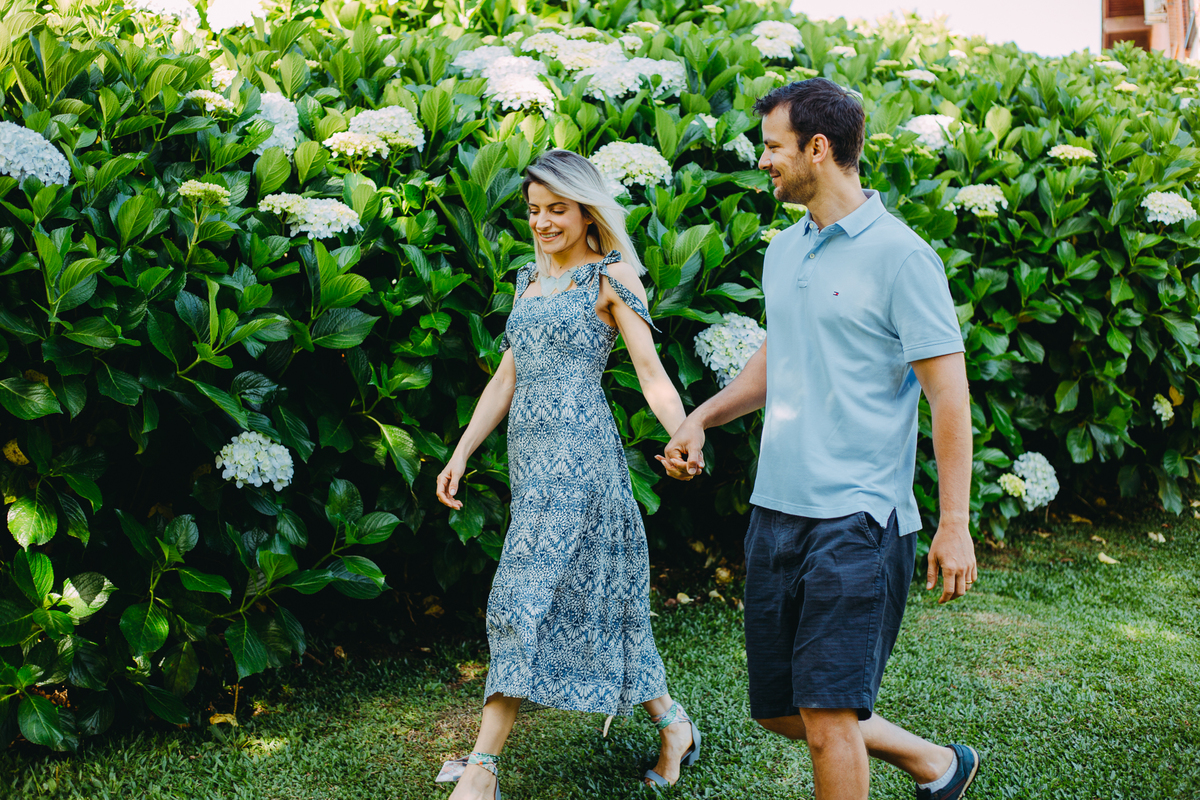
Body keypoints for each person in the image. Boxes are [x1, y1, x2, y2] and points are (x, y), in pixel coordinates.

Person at [660, 79, 981, 800]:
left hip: (859, 519)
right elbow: (779, 357)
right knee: (781, 709)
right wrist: (699, 418)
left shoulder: (903, 258)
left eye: (773, 147)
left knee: (829, 719)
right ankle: (937, 763)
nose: (762, 161)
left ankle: (926, 764)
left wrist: (954, 522)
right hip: (777, 510)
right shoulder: (785, 249)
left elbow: (948, 396)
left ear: (817, 147)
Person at [434, 149, 701, 800]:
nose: (543, 222)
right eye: (534, 210)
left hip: (581, 462)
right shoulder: (529, 279)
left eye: (558, 209)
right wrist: (461, 452)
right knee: (601, 603)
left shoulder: (611, 278)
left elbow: (650, 373)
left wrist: (684, 435)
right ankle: (674, 725)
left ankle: (481, 771)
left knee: (518, 600)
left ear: (587, 212)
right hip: (531, 464)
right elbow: (507, 377)